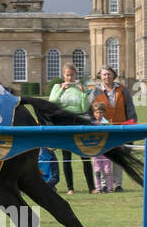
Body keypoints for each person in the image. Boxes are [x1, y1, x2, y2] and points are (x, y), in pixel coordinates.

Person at [49, 62, 92, 194]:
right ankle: (70, 188)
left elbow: (84, 108)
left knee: (85, 155)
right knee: (66, 156)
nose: (70, 78)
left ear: (75, 75)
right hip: (63, 123)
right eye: (67, 75)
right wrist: (62, 89)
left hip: (78, 123)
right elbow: (51, 102)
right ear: (63, 75)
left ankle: (92, 187)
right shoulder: (57, 86)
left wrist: (84, 94)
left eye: (72, 75)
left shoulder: (81, 87)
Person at [89, 101, 115, 193]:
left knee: (108, 169)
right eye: (97, 112)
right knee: (97, 169)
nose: (99, 114)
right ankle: (98, 188)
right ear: (93, 113)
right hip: (95, 149)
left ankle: (110, 187)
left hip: (106, 149)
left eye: (101, 112)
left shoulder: (107, 123)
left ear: (104, 113)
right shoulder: (91, 124)